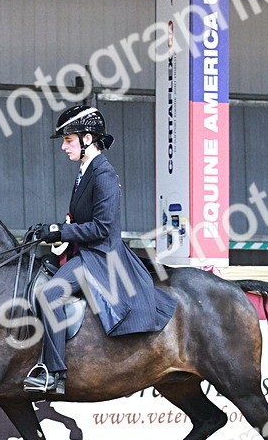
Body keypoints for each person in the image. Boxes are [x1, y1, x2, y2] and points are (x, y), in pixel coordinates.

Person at [23, 105, 178, 395]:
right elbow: (81, 221)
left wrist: (59, 230)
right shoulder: (85, 171)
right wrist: (57, 231)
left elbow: (103, 228)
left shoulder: (103, 174)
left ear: (88, 139)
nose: (64, 147)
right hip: (84, 252)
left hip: (101, 257)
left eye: (68, 140)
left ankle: (53, 373)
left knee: (50, 294)